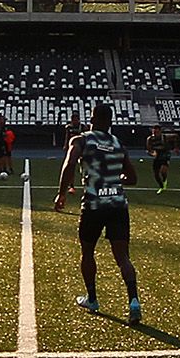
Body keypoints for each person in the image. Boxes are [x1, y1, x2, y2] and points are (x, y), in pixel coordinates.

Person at [54, 102, 141, 324]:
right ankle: (133, 301)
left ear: (91, 118)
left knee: (88, 251)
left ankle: (92, 298)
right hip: (118, 205)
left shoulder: (81, 140)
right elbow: (132, 178)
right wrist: (117, 178)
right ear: (110, 122)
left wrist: (62, 193)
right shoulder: (118, 144)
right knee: (123, 257)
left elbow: (69, 164)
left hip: (93, 205)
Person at [144, 123, 176, 193]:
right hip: (157, 155)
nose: (155, 133)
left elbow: (175, 136)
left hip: (165, 154)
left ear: (160, 131)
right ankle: (161, 186)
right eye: (154, 132)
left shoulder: (165, 137)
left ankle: (164, 180)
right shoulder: (150, 139)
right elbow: (148, 150)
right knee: (156, 174)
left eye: (157, 132)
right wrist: (152, 153)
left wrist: (175, 148)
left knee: (163, 170)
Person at [0, 112, 14, 180]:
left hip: (2, 144)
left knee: (3, 156)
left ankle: (4, 169)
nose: (4, 121)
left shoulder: (3, 127)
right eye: (2, 120)